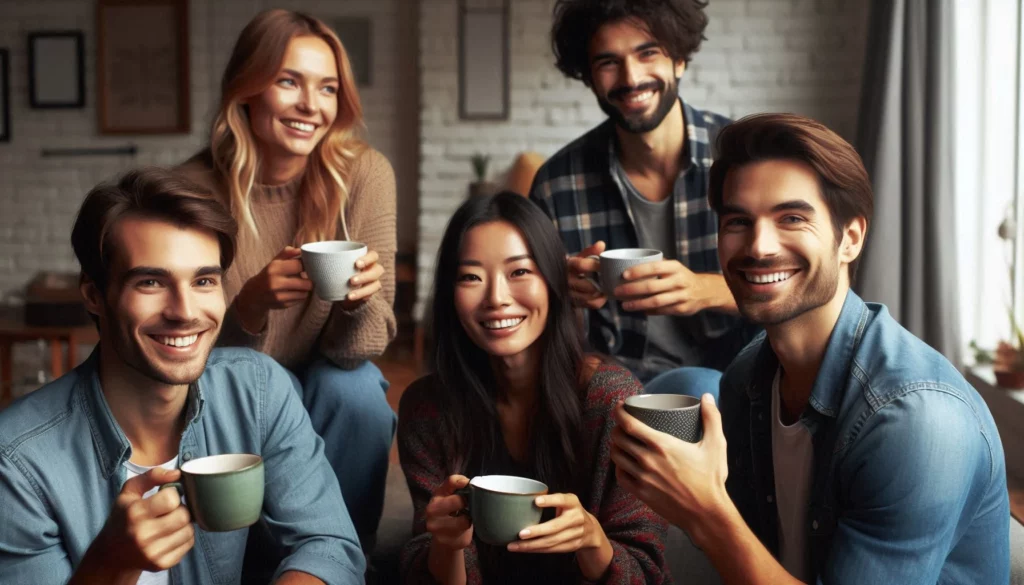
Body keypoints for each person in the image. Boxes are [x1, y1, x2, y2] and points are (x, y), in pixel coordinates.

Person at [610, 113, 1010, 584]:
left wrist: (706, 509)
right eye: (738, 221)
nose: (759, 247)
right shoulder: (747, 380)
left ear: (851, 239)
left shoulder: (918, 421)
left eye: (792, 218)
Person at [0, 168, 364, 585]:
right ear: (94, 295)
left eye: (204, 280)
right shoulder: (17, 461)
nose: (185, 312)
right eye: (152, 282)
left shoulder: (259, 389)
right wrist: (111, 564)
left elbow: (329, 546)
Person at [177, 9, 397, 550]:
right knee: (263, 391)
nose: (311, 106)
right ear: (247, 89)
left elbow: (360, 351)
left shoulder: (364, 175)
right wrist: (248, 307)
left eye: (327, 88)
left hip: (329, 372)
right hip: (229, 385)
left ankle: (345, 550)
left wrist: (354, 303)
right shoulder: (190, 191)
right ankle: (247, 552)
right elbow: (187, 357)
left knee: (356, 389)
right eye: (287, 81)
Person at [397, 193, 669, 584]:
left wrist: (592, 541)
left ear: (553, 282)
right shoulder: (428, 408)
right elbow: (426, 570)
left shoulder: (612, 400)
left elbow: (647, 571)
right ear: (449, 294)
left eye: (519, 272)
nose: (496, 298)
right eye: (471, 276)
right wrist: (447, 545)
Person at [529, 0, 756, 398]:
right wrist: (560, 291)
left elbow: (798, 283)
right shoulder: (556, 184)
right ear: (589, 77)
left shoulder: (744, 159)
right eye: (608, 62)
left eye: (647, 53)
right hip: (612, 383)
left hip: (735, 373)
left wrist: (706, 290)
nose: (631, 78)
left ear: (680, 60)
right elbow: (535, 321)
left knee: (701, 387)